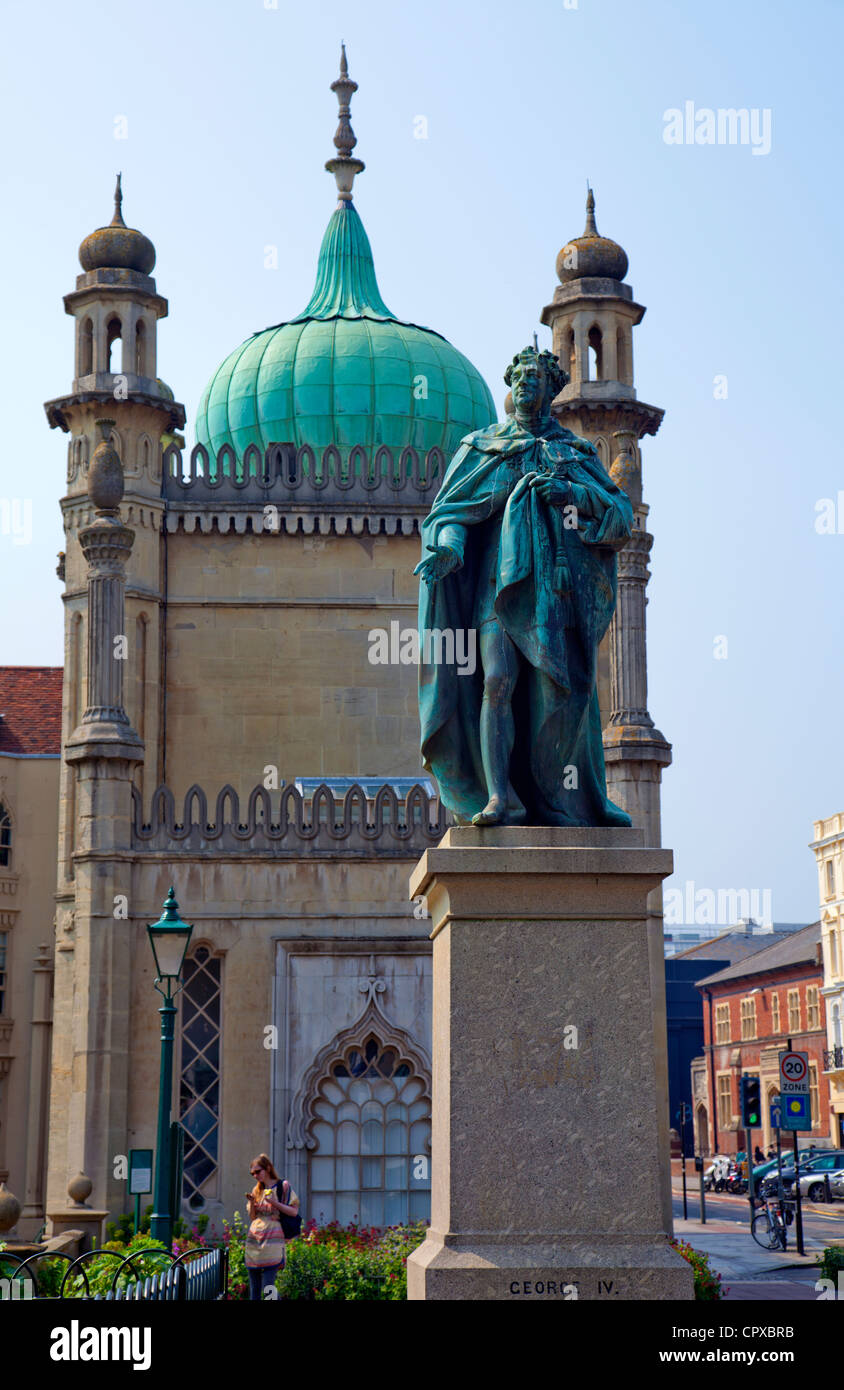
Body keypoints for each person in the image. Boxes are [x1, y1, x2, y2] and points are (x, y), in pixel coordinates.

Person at [415, 345, 633, 827]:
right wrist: (449, 547)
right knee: (496, 682)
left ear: (553, 390)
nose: (526, 383)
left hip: (552, 595)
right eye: (520, 377)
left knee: (556, 695)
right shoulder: (482, 448)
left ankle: (557, 798)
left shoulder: (573, 454)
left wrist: (572, 493)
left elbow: (620, 515)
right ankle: (499, 797)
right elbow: (450, 513)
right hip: (496, 589)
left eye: (536, 377)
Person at [244, 1153, 300, 1301]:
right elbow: (253, 1217)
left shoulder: (283, 1186)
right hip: (254, 1240)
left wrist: (274, 1203)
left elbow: (294, 1211)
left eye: (258, 1171)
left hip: (273, 1240)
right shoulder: (257, 1190)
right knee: (254, 1289)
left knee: (268, 1287)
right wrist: (251, 1204)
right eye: (252, 1173)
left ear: (268, 1168)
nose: (255, 1176)